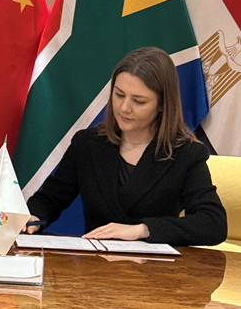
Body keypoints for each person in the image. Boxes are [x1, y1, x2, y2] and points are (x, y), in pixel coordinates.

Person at [24, 46, 227, 247]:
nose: (124, 108)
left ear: (162, 104)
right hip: (96, 262)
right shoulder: (87, 143)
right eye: (119, 95)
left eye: (139, 101)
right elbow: (49, 199)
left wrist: (142, 230)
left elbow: (213, 223)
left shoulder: (186, 153)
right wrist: (32, 217)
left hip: (154, 265)